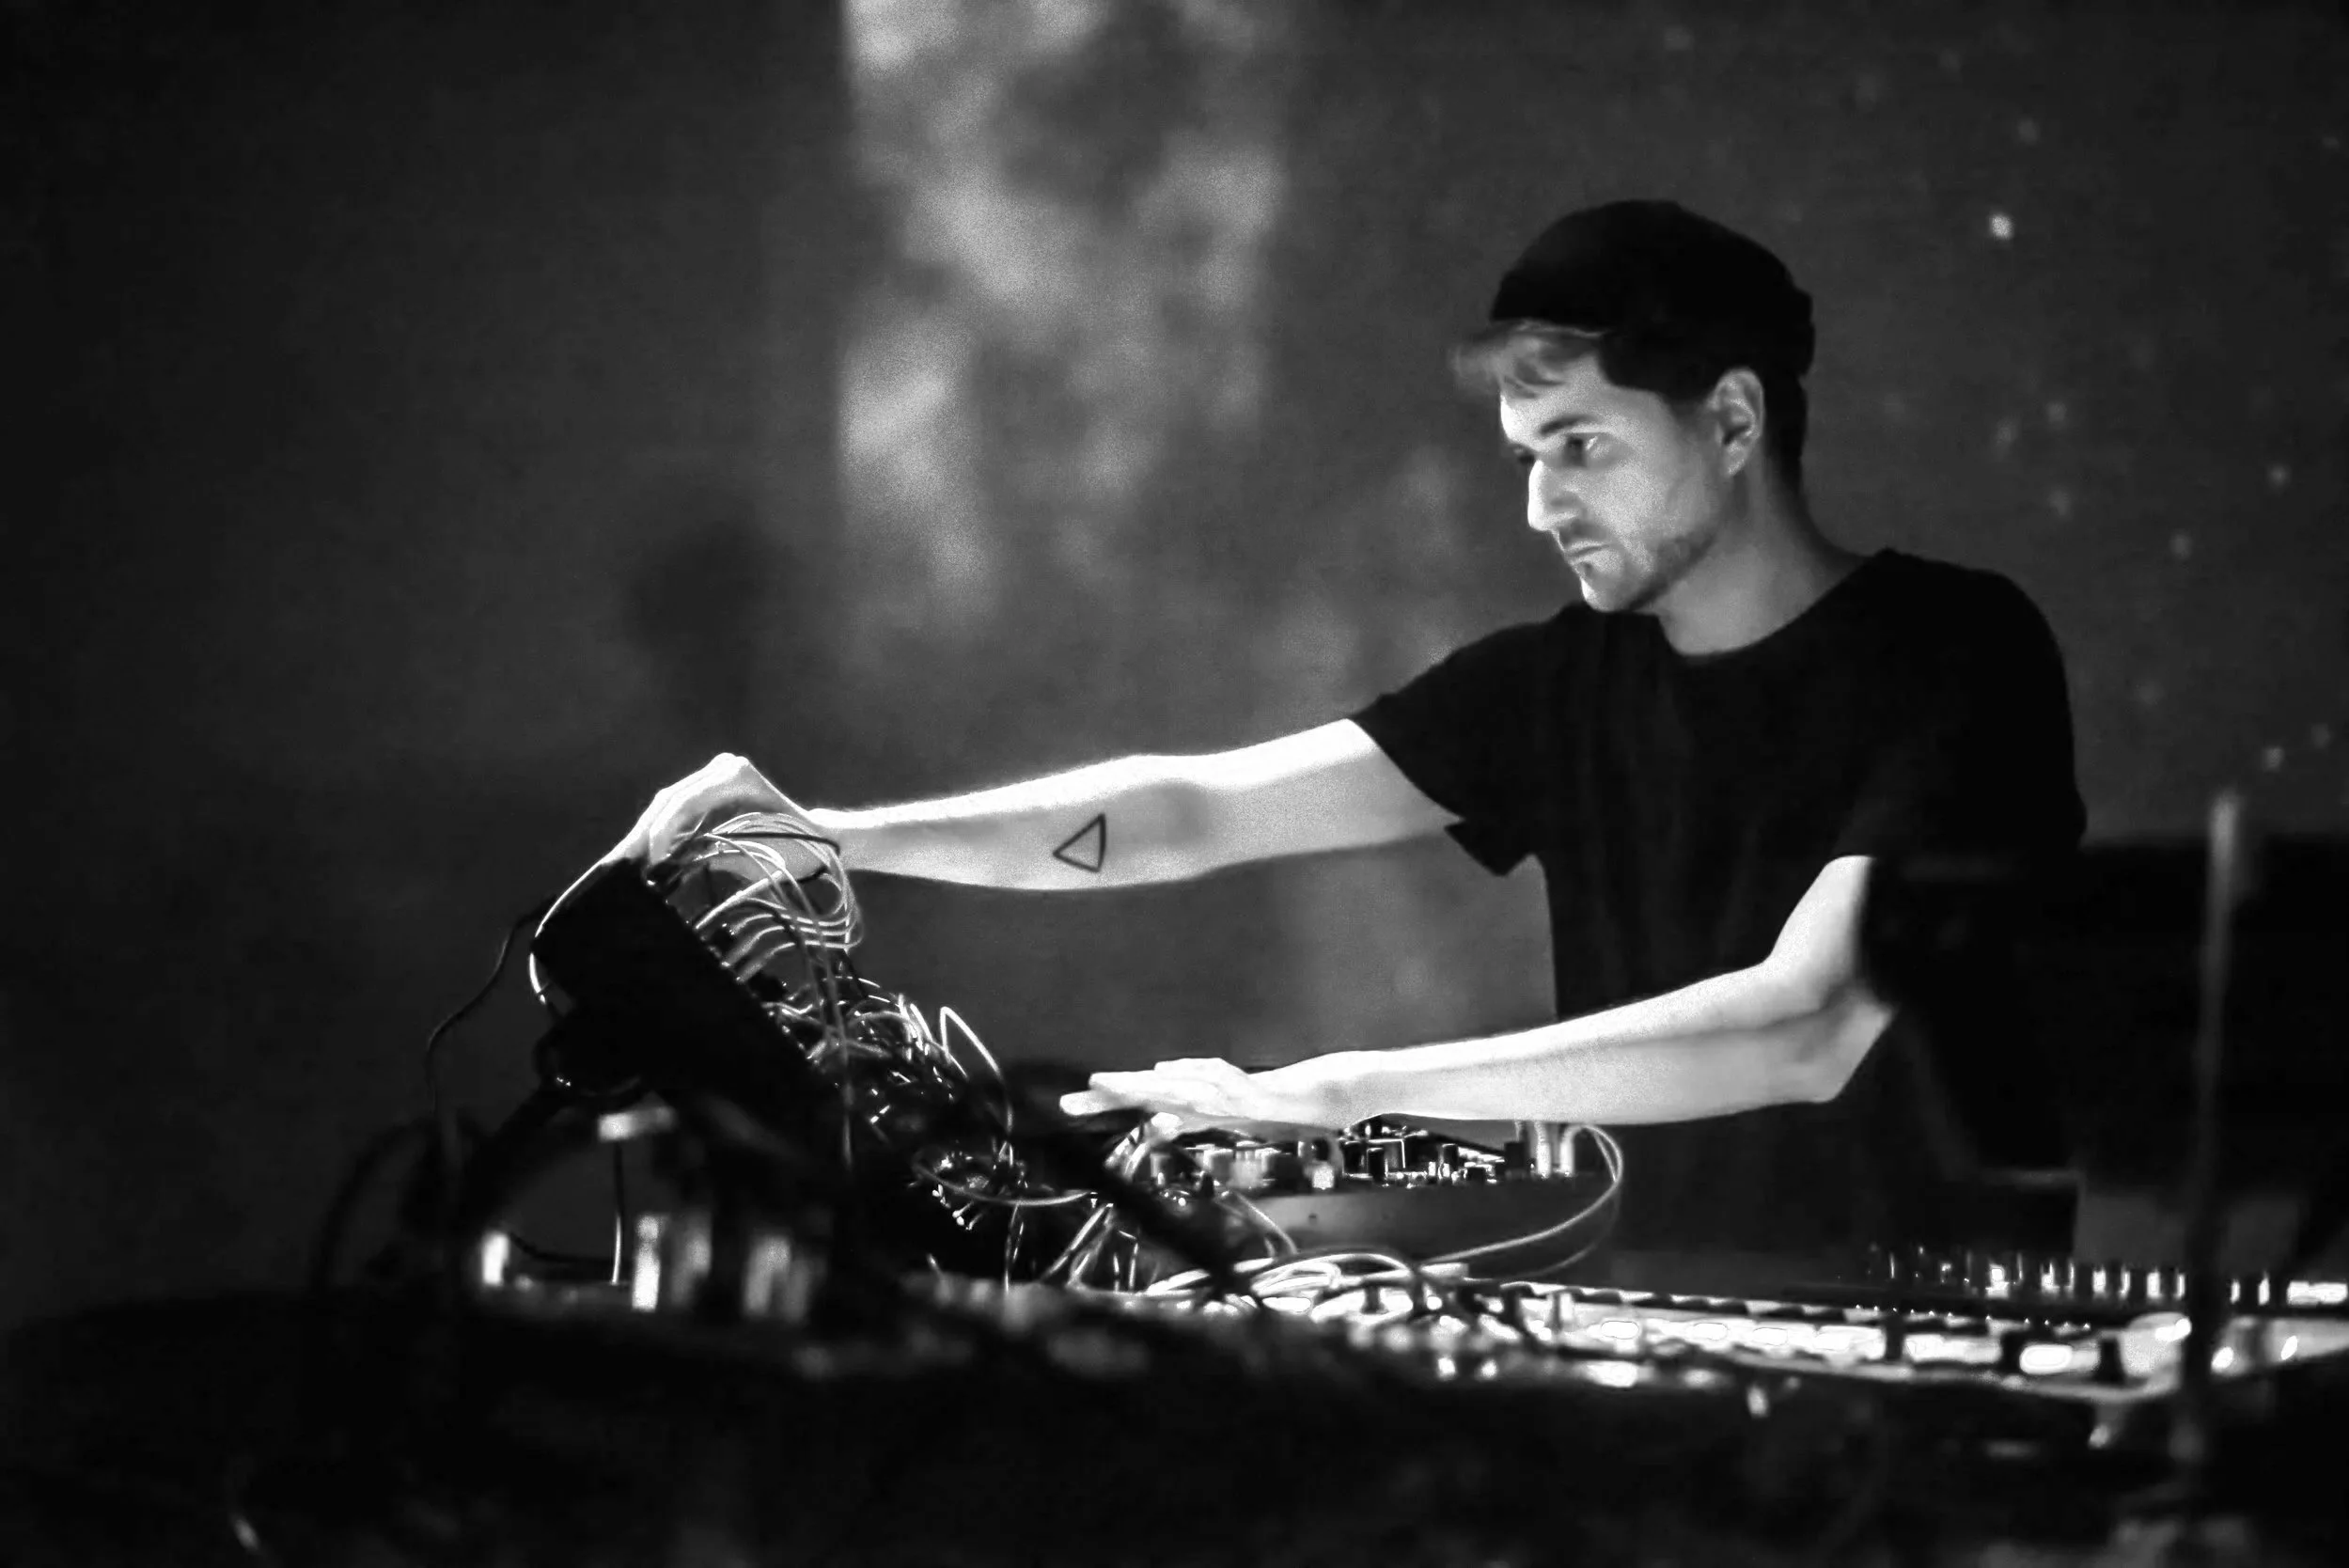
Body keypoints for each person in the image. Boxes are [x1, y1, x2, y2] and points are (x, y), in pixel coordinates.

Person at [610, 199, 2085, 1264]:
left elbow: (1803, 1025)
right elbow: (1191, 812)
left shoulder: (1954, 654)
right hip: (1647, 1321)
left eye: (1580, 446)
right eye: (1522, 456)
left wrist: (1333, 1093)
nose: (1538, 505)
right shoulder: (1553, 688)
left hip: (1934, 1341)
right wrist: (818, 837)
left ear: (1736, 421)